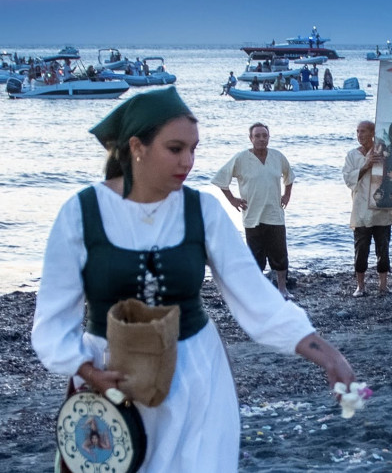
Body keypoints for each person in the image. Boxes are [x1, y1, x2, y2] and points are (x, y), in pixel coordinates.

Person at [31, 87, 355, 472]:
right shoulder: (80, 214)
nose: (188, 161)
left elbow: (256, 298)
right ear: (137, 146)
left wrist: (325, 354)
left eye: (193, 149)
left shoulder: (202, 211)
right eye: (175, 149)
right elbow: (52, 321)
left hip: (195, 376)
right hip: (109, 379)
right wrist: (89, 371)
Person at [212, 123, 295, 299]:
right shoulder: (241, 158)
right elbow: (221, 180)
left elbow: (289, 176)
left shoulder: (277, 157)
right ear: (251, 138)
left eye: (264, 135)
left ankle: (282, 288)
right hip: (252, 216)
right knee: (255, 257)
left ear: (268, 137)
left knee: (280, 254)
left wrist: (287, 195)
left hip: (274, 214)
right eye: (257, 136)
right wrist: (232, 200)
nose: (261, 139)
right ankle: (257, 291)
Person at [342, 121, 392, 297]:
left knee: (383, 248)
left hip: (382, 208)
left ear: (372, 132)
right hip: (361, 209)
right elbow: (349, 180)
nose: (359, 135)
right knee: (361, 249)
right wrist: (366, 165)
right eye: (357, 131)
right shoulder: (352, 155)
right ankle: (360, 286)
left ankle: (383, 285)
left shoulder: (384, 152)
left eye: (363, 131)